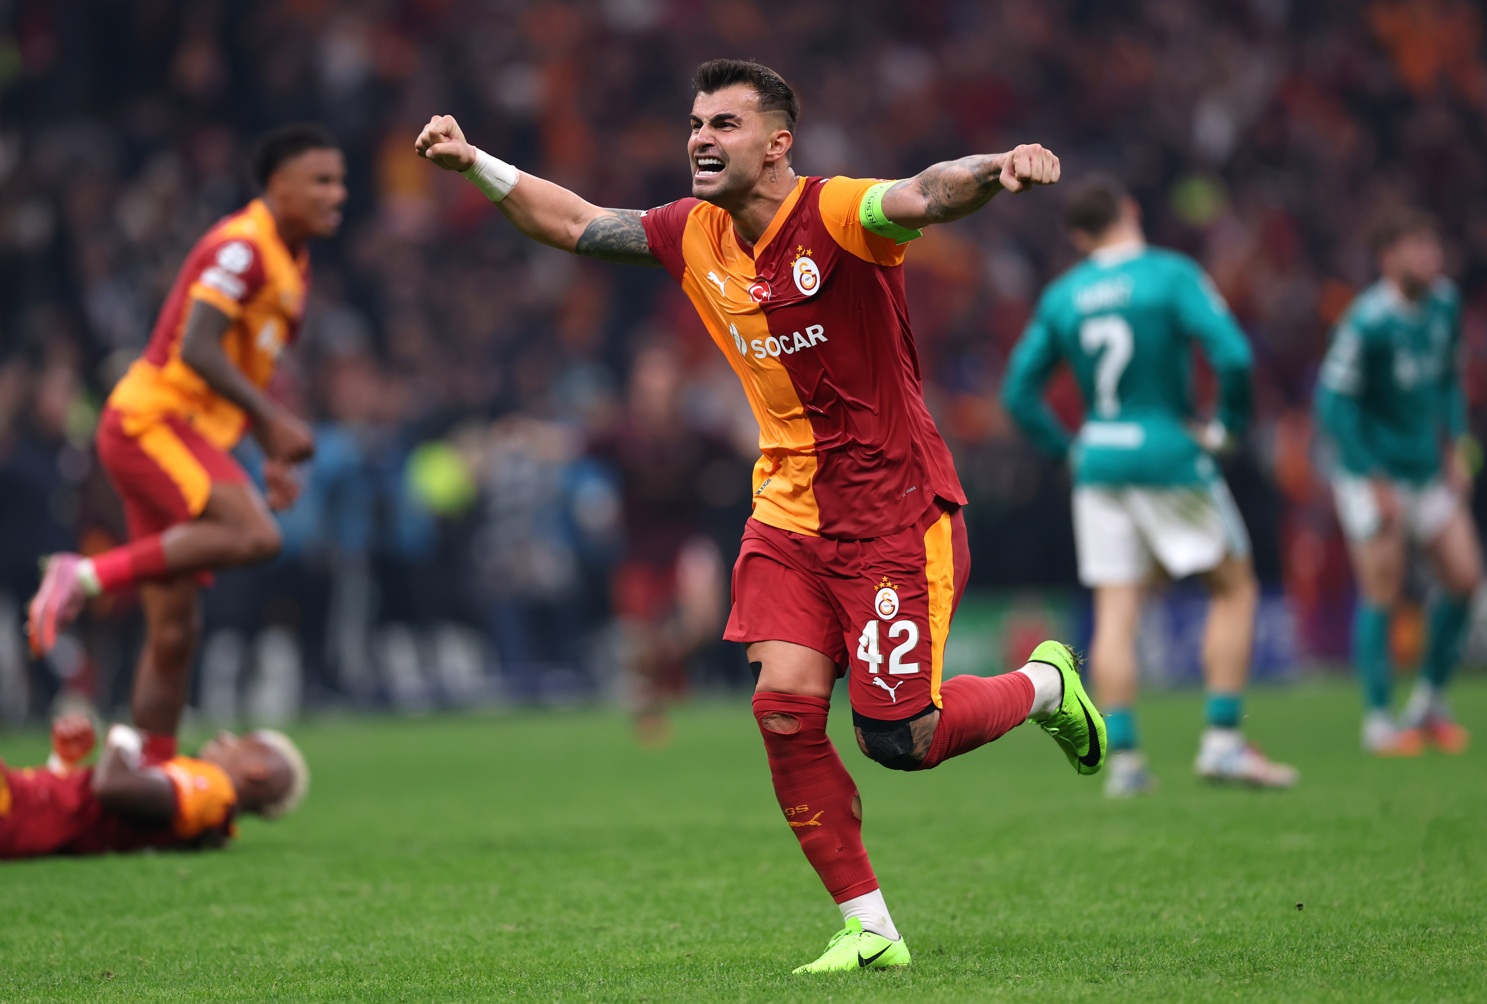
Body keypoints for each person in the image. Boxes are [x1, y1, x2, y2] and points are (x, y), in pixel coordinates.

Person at [416, 58, 1106, 973]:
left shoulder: (837, 214)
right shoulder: (689, 230)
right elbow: (576, 222)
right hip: (785, 512)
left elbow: (925, 195)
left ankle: (1047, 686)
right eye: (696, 121)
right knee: (782, 711)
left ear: (777, 144)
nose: (701, 136)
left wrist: (993, 167)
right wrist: (474, 163)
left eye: (725, 124)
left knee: (899, 738)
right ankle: (869, 928)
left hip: (894, 513)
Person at [26, 125, 346, 765]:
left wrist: (271, 447)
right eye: (321, 181)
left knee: (174, 633)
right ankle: (83, 575)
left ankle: (154, 783)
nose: (337, 194)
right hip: (152, 424)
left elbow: (241, 369)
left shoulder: (293, 263)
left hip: (188, 436)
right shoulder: (242, 248)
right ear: (278, 186)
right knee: (257, 536)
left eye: (339, 180)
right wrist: (275, 420)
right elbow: (196, 348)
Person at [1001, 176, 1296, 797]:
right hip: (1168, 452)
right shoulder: (1171, 275)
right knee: (1233, 585)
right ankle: (1223, 741)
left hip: (1101, 459)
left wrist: (1069, 449)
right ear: (1130, 212)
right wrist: (1228, 429)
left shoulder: (1063, 295)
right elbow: (1234, 357)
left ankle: (1127, 764)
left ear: (1080, 237)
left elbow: (1018, 393)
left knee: (1116, 609)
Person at [1315, 209, 1480, 755]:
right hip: (1373, 473)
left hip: (1425, 468)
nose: (1432, 259)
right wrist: (1371, 475)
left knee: (1463, 577)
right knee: (1381, 589)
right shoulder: (1366, 321)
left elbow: (1450, 380)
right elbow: (1332, 405)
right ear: (1389, 258)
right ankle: (1379, 720)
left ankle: (1429, 700)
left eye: (1434, 248)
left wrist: (1459, 443)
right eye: (1418, 249)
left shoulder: (1445, 304)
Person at [588, 341, 735, 745]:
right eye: (650, 375)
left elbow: (741, 445)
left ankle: (664, 671)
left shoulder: (695, 432)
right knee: (639, 640)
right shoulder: (621, 433)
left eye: (664, 374)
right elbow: (574, 444)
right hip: (637, 551)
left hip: (687, 542)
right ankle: (653, 700)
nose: (657, 384)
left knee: (703, 621)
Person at [0, 713, 308, 860]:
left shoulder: (213, 788)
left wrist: (125, 739)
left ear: (257, 771)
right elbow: (81, 817)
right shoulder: (207, 814)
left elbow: (111, 787)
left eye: (242, 741)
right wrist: (62, 765)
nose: (225, 736)